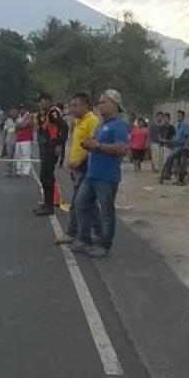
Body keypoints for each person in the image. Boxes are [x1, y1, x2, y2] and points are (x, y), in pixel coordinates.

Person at [70, 88, 129, 258]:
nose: (100, 106)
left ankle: (104, 245)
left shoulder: (119, 125)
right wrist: (82, 158)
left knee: (106, 212)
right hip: (92, 174)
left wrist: (99, 146)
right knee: (80, 204)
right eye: (100, 102)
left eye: (103, 102)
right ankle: (84, 238)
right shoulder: (101, 125)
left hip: (107, 176)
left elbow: (122, 148)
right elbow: (94, 147)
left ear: (114, 104)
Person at [56, 92, 98, 246]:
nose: (72, 109)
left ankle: (74, 233)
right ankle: (97, 233)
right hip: (77, 168)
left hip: (86, 167)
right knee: (89, 204)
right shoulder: (78, 121)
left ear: (85, 105)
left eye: (75, 105)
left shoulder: (92, 121)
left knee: (78, 202)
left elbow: (92, 145)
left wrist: (79, 162)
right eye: (71, 105)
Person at [34, 92, 63, 215]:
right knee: (44, 178)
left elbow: (63, 127)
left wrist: (59, 144)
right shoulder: (45, 114)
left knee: (47, 177)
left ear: (47, 101)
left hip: (51, 148)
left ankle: (49, 206)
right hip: (46, 148)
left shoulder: (53, 112)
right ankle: (46, 203)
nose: (39, 104)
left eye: (41, 101)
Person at [161, 109, 189, 183]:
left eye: (180, 116)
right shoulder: (178, 126)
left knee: (170, 157)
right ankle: (177, 178)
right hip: (175, 145)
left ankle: (168, 174)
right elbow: (176, 137)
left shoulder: (185, 125)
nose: (178, 117)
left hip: (181, 146)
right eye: (177, 116)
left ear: (183, 117)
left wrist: (186, 145)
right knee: (176, 162)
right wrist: (172, 141)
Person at [14, 104, 33, 177]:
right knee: (18, 155)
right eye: (20, 109)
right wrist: (19, 125)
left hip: (26, 138)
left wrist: (19, 124)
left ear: (25, 109)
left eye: (22, 109)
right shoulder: (19, 116)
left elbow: (23, 125)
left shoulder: (28, 115)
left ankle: (26, 171)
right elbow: (16, 128)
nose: (21, 110)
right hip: (18, 138)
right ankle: (18, 170)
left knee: (25, 155)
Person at [2, 108, 17, 174]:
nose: (14, 113)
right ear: (10, 113)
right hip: (9, 141)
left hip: (18, 142)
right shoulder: (8, 121)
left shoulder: (19, 120)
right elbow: (4, 131)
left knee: (17, 157)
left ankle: (17, 171)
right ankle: (9, 171)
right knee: (9, 156)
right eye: (12, 112)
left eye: (15, 112)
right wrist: (4, 140)